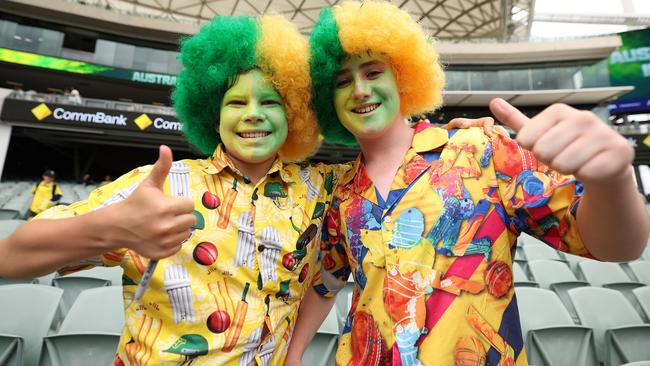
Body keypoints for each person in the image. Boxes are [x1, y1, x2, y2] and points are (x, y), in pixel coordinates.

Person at [285, 2, 650, 365]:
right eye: (343, 82)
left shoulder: (481, 150)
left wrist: (613, 182)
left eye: (374, 72)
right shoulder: (342, 191)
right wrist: (295, 353)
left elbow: (617, 247)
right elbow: (326, 282)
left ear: (402, 78)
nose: (360, 90)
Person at [3, 14, 344, 365]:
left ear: (293, 115)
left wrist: (296, 353)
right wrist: (113, 228)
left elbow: (333, 272)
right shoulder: (162, 186)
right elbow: (10, 258)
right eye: (236, 103)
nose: (253, 114)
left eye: (270, 102)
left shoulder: (318, 189)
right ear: (213, 115)